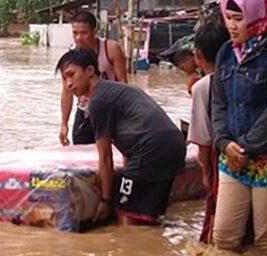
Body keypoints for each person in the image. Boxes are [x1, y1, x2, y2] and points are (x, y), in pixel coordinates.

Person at [56, 49, 186, 225]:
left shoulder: (99, 101)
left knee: (125, 215)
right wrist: (128, 174)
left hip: (151, 148)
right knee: (147, 217)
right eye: (65, 79)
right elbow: (129, 140)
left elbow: (106, 156)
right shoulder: (116, 90)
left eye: (71, 75)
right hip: (174, 144)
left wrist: (106, 201)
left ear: (89, 71)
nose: (69, 84)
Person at [211, 0, 267, 256]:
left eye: (238, 19)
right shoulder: (226, 52)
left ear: (258, 17)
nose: (232, 26)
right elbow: (218, 103)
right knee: (223, 238)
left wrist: (245, 147)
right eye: (228, 18)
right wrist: (224, 143)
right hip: (232, 156)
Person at [187, 21, 229, 243]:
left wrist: (205, 173)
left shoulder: (202, 87)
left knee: (216, 216)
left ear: (198, 54)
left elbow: (204, 140)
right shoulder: (237, 78)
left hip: (218, 157)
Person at [59, 11, 126, 146]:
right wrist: (64, 124)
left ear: (95, 31)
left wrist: (123, 117)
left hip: (109, 110)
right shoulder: (70, 56)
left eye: (83, 33)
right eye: (75, 33)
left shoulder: (111, 49)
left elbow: (123, 83)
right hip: (85, 111)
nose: (78, 38)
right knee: (81, 152)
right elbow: (67, 92)